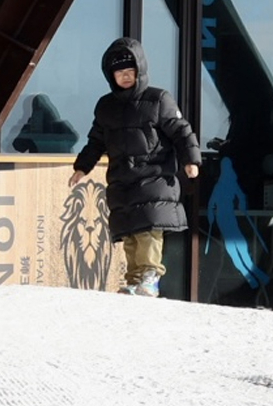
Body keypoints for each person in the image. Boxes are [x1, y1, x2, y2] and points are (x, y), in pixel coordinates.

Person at [69, 38, 202, 297]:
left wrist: (191, 160)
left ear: (140, 72)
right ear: (111, 76)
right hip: (122, 179)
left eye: (130, 73)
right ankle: (134, 279)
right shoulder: (106, 106)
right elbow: (96, 141)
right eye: (120, 74)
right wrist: (81, 168)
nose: (126, 77)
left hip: (154, 177)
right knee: (129, 232)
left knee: (148, 230)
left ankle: (150, 276)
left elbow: (181, 132)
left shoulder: (158, 99)